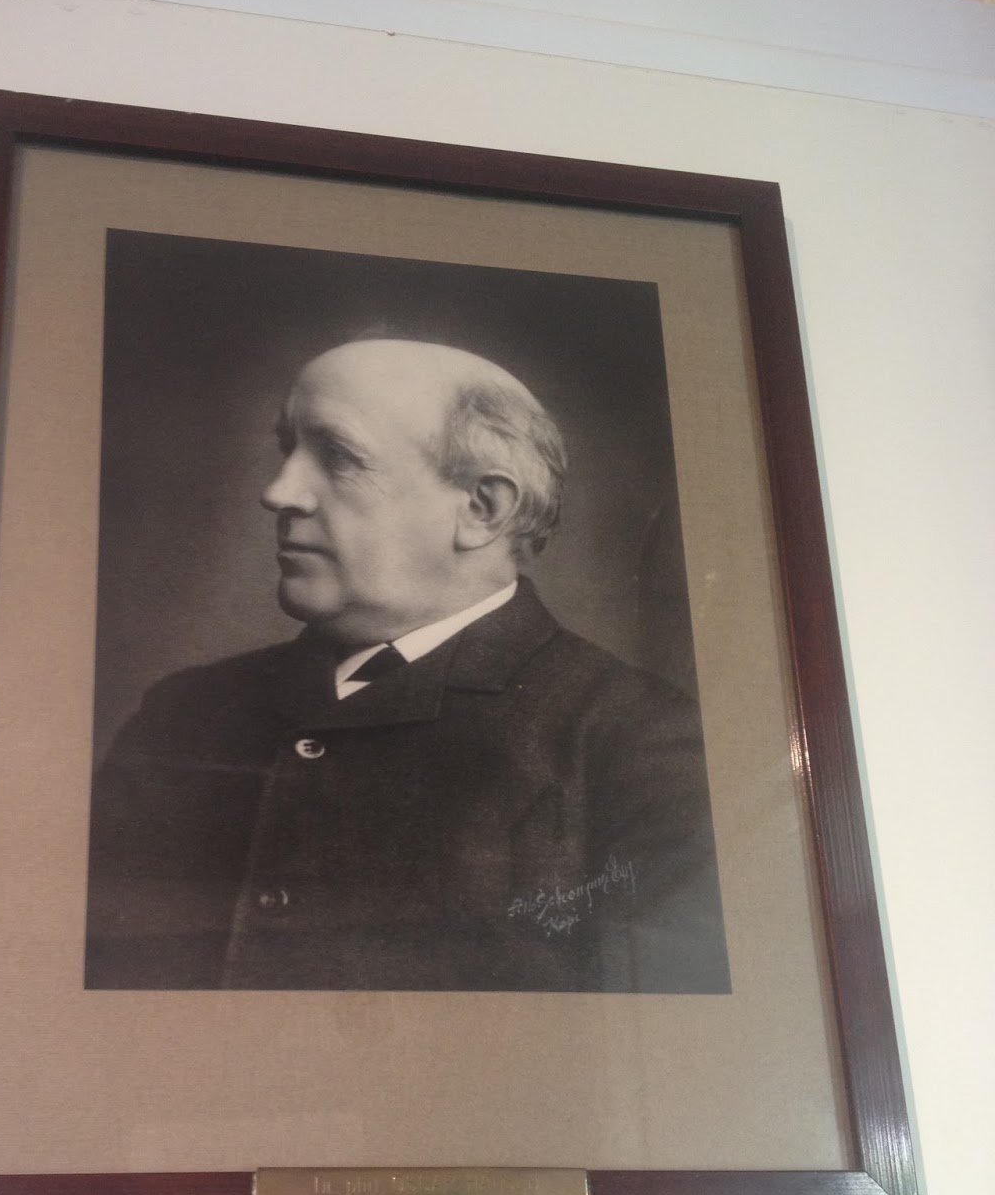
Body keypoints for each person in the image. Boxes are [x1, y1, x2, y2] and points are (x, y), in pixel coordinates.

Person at [84, 338, 730, 993]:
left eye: (339, 457)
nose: (278, 493)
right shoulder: (182, 713)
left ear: (482, 509)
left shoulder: (639, 745)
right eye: (288, 449)